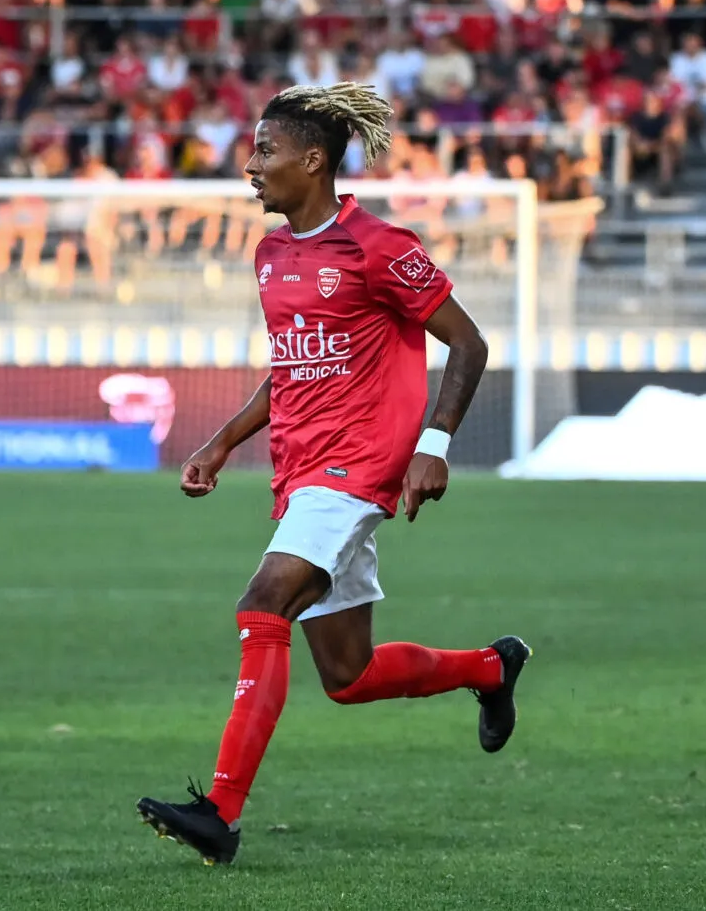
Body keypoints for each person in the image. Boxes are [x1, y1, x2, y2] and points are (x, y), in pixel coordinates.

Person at [135, 82, 532, 865]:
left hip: (358, 466)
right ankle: (492, 667)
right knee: (347, 674)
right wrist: (221, 442)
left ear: (313, 160)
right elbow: (290, 369)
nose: (251, 166)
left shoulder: (379, 246)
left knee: (263, 604)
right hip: (302, 473)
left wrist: (434, 445)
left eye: (266, 151)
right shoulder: (271, 254)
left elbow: (469, 342)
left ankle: (220, 813)